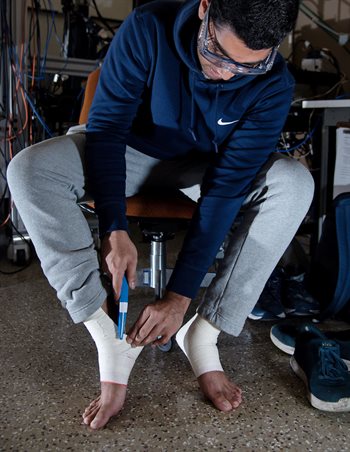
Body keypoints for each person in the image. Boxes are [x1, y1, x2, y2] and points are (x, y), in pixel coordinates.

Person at [8, 0, 314, 430]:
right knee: (27, 169)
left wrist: (179, 297)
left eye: (244, 68)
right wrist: (114, 228)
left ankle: (203, 336)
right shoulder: (148, 27)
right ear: (206, 8)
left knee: (295, 183)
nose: (225, 73)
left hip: (204, 165)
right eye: (217, 54)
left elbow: (225, 190)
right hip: (128, 147)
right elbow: (108, 130)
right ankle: (109, 339)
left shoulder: (273, 83)